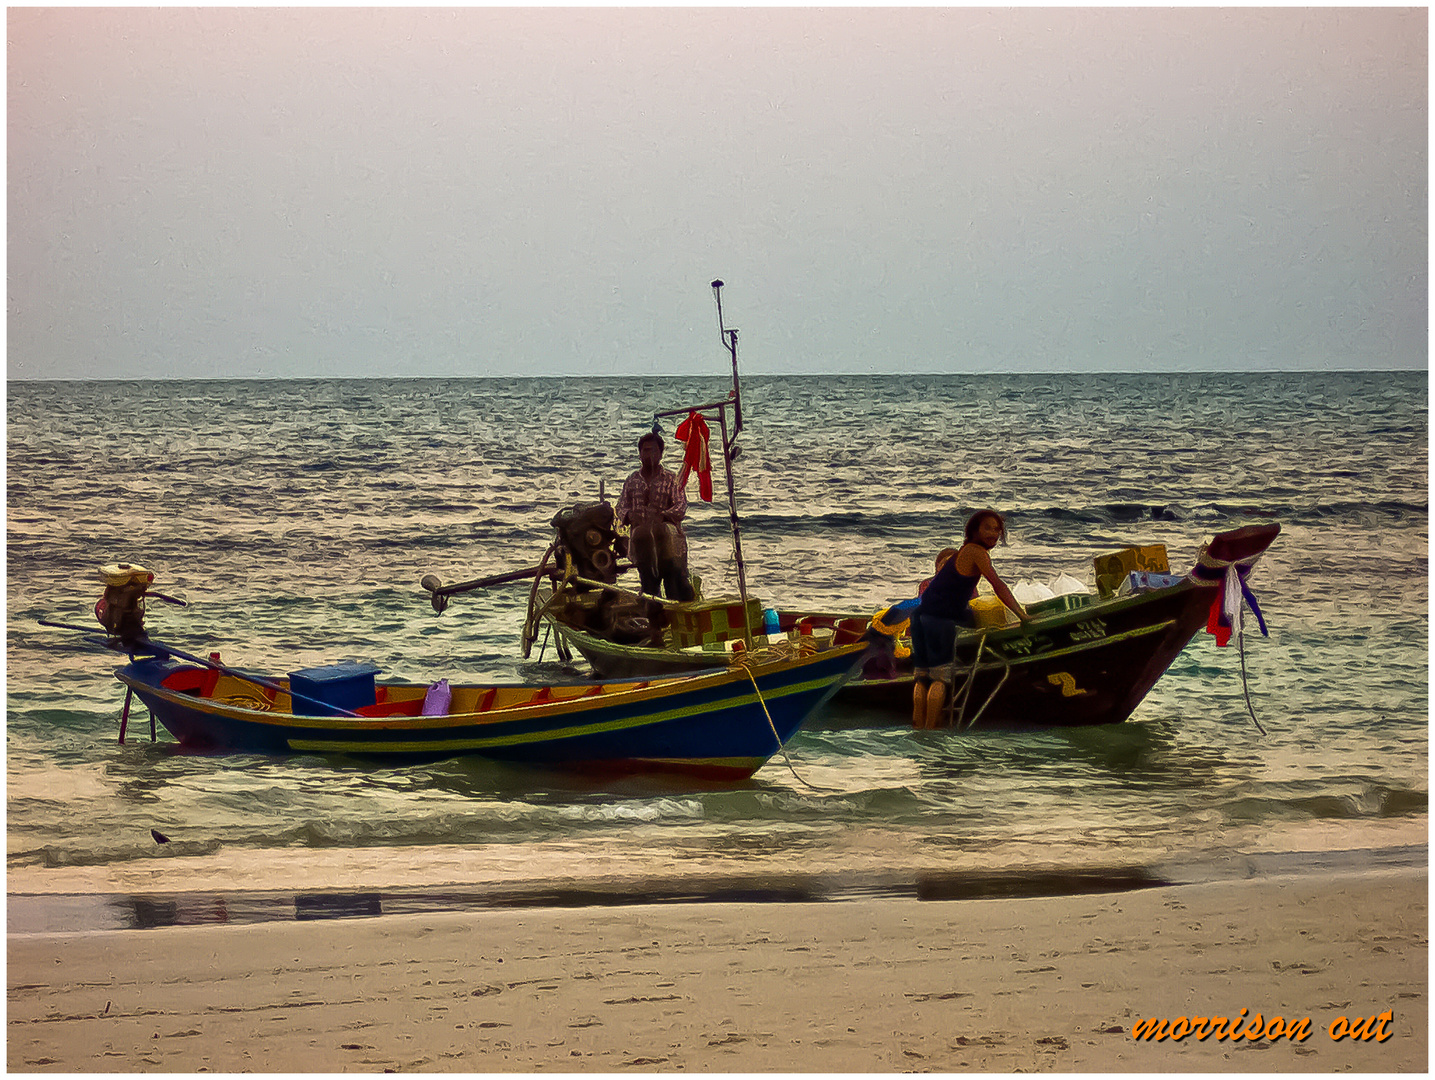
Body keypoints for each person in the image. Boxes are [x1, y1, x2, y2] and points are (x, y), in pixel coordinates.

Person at [911, 509, 1029, 729]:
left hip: (920, 616)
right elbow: (998, 584)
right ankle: (931, 733)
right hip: (939, 619)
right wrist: (1021, 614)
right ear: (974, 530)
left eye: (997, 530)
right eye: (988, 528)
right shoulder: (976, 552)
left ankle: (918, 728)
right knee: (939, 678)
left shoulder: (962, 552)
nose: (993, 534)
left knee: (922, 678)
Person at [616, 431, 694, 602]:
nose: (649, 455)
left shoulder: (671, 479)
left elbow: (681, 506)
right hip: (643, 544)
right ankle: (655, 622)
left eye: (654, 451)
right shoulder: (632, 480)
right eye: (645, 450)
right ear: (639, 454)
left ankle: (678, 620)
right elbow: (621, 506)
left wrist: (664, 516)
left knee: (675, 586)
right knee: (649, 589)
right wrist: (629, 515)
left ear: (660, 454)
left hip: (669, 545)